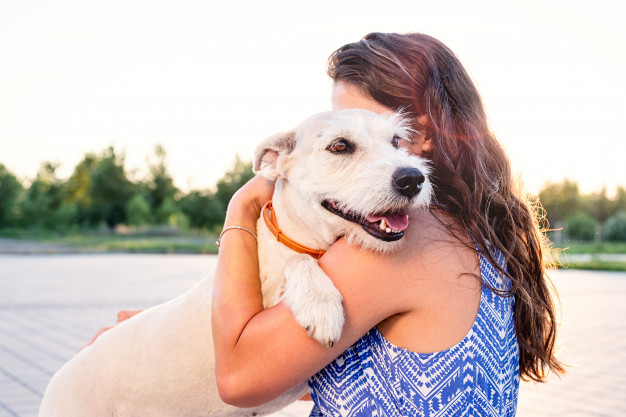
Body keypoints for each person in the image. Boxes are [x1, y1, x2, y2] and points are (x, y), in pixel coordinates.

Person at [212, 32, 564, 416]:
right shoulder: (481, 232)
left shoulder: (403, 239)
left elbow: (237, 378)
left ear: (424, 134)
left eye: (388, 135)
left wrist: (242, 207)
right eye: (344, 142)